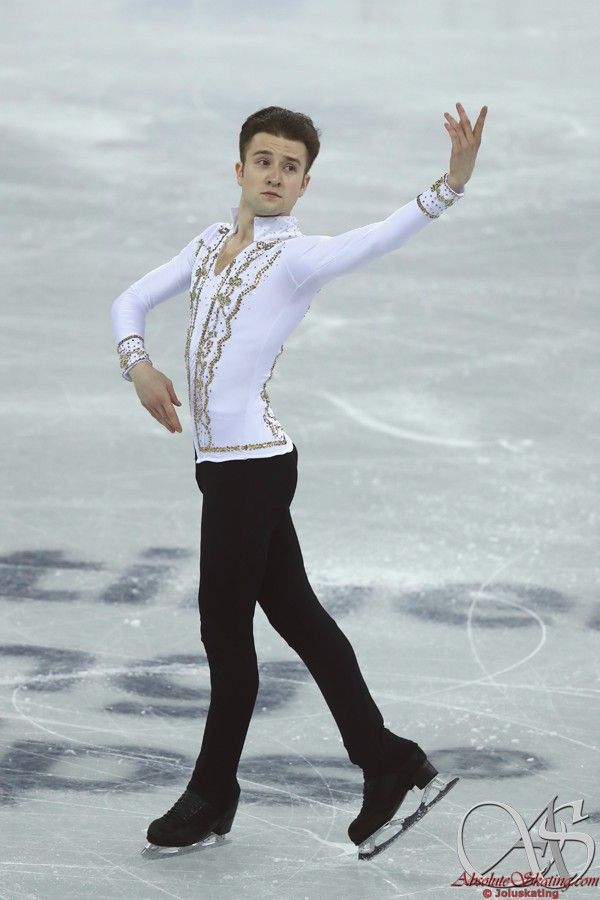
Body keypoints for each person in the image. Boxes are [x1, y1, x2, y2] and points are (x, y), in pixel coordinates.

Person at [110, 102, 487, 859]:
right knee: (299, 617)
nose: (275, 174)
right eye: (263, 159)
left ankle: (213, 795)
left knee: (225, 630)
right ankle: (386, 759)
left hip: (254, 467)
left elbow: (379, 237)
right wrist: (138, 361)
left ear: (305, 183)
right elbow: (129, 300)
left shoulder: (296, 258)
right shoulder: (210, 242)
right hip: (225, 469)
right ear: (240, 168)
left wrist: (449, 184)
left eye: (290, 165)